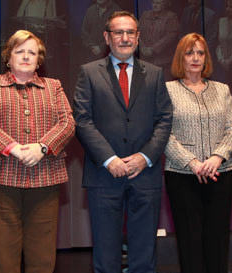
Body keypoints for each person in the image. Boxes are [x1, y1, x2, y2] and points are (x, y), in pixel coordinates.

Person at [74, 11, 172, 273]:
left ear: (138, 38)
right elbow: (82, 120)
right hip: (103, 174)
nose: (125, 38)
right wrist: (109, 159)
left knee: (144, 255)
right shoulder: (88, 73)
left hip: (145, 173)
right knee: (106, 256)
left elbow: (164, 119)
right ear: (107, 37)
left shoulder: (155, 73)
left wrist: (145, 156)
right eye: (119, 32)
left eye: (131, 32)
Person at [0, 30, 75, 273]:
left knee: (42, 254)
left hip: (45, 178)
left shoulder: (54, 86)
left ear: (39, 60)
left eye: (32, 52)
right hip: (1, 179)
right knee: (4, 254)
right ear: (9, 57)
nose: (26, 57)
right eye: (20, 51)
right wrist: (13, 147)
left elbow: (67, 123)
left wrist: (42, 147)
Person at [164, 32, 232, 273]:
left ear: (206, 57)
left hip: (221, 174)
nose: (195, 58)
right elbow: (163, 134)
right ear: (180, 58)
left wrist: (217, 157)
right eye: (189, 53)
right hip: (182, 176)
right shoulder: (167, 90)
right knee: (190, 241)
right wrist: (193, 162)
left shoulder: (222, 89)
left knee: (217, 241)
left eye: (200, 52)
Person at [139, 0, 179, 80]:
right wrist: (142, 47)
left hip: (163, 61)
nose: (155, 5)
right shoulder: (145, 15)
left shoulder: (171, 17)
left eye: (158, 3)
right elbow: (137, 33)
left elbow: (171, 37)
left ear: (164, 4)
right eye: (153, 3)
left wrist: (153, 49)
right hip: (145, 59)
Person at [216, 0, 232, 92]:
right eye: (227, 7)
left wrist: (231, 60)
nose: (229, 9)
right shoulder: (221, 21)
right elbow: (218, 44)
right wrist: (221, 59)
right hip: (222, 66)